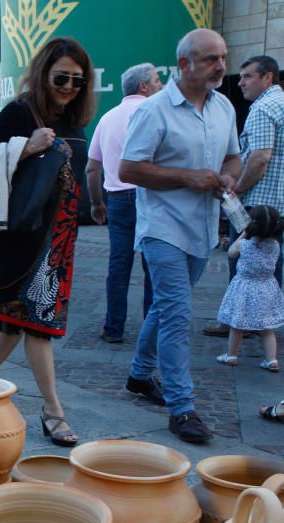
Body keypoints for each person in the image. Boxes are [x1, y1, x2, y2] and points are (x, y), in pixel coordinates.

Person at [0, 36, 96, 447]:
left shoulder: (75, 121)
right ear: (44, 72)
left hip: (58, 241)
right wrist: (24, 148)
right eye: (62, 77)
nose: (69, 87)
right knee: (36, 326)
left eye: (78, 81)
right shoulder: (20, 111)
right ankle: (53, 411)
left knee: (11, 329)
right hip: (24, 238)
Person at [120, 28, 241, 443]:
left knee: (168, 306)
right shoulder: (154, 111)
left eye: (223, 57)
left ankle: (139, 375)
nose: (221, 66)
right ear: (185, 64)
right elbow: (129, 169)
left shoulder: (224, 105)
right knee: (176, 313)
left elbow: (233, 155)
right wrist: (186, 178)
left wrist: (229, 177)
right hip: (163, 227)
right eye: (211, 59)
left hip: (203, 228)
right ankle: (182, 407)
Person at [204, 54, 284, 337]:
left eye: (247, 76)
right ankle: (263, 323)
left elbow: (260, 157)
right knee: (271, 268)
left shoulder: (264, 108)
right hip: (278, 205)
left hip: (261, 205)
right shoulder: (281, 103)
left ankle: (239, 323)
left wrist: (238, 187)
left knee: (243, 264)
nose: (240, 83)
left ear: (268, 77)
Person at [88, 63, 163, 344]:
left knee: (118, 264)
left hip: (117, 198)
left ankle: (113, 326)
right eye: (156, 80)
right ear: (143, 86)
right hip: (150, 196)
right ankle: (150, 328)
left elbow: (93, 168)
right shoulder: (155, 113)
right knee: (152, 265)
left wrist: (96, 203)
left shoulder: (107, 118)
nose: (160, 85)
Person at [214, 205, 284, 371]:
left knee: (237, 325)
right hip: (267, 287)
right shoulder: (275, 246)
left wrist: (244, 234)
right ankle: (271, 359)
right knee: (267, 328)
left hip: (244, 287)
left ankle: (231, 355)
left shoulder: (245, 244)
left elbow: (231, 252)